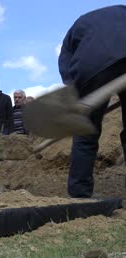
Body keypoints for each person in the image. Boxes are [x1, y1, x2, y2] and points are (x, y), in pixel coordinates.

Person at [58, 5, 126, 198]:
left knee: (86, 134)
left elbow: (66, 65)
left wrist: (78, 95)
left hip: (92, 66)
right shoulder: (122, 11)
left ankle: (80, 194)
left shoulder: (78, 26)